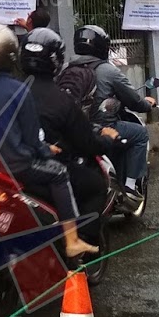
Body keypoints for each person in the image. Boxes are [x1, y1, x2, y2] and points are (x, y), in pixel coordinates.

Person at [0, 23, 96, 263]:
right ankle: (72, 241)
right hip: (16, 167)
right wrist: (46, 151)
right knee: (60, 173)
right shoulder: (18, 90)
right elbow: (32, 140)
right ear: (12, 55)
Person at [19, 27, 111, 248]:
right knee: (96, 185)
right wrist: (107, 141)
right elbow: (86, 144)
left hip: (8, 166)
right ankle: (81, 245)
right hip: (43, 171)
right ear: (56, 61)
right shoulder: (61, 101)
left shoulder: (9, 93)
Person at [59, 25, 151, 210]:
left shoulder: (66, 68)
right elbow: (134, 101)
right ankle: (130, 188)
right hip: (103, 129)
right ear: (103, 47)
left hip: (74, 130)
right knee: (140, 134)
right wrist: (148, 104)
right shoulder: (108, 71)